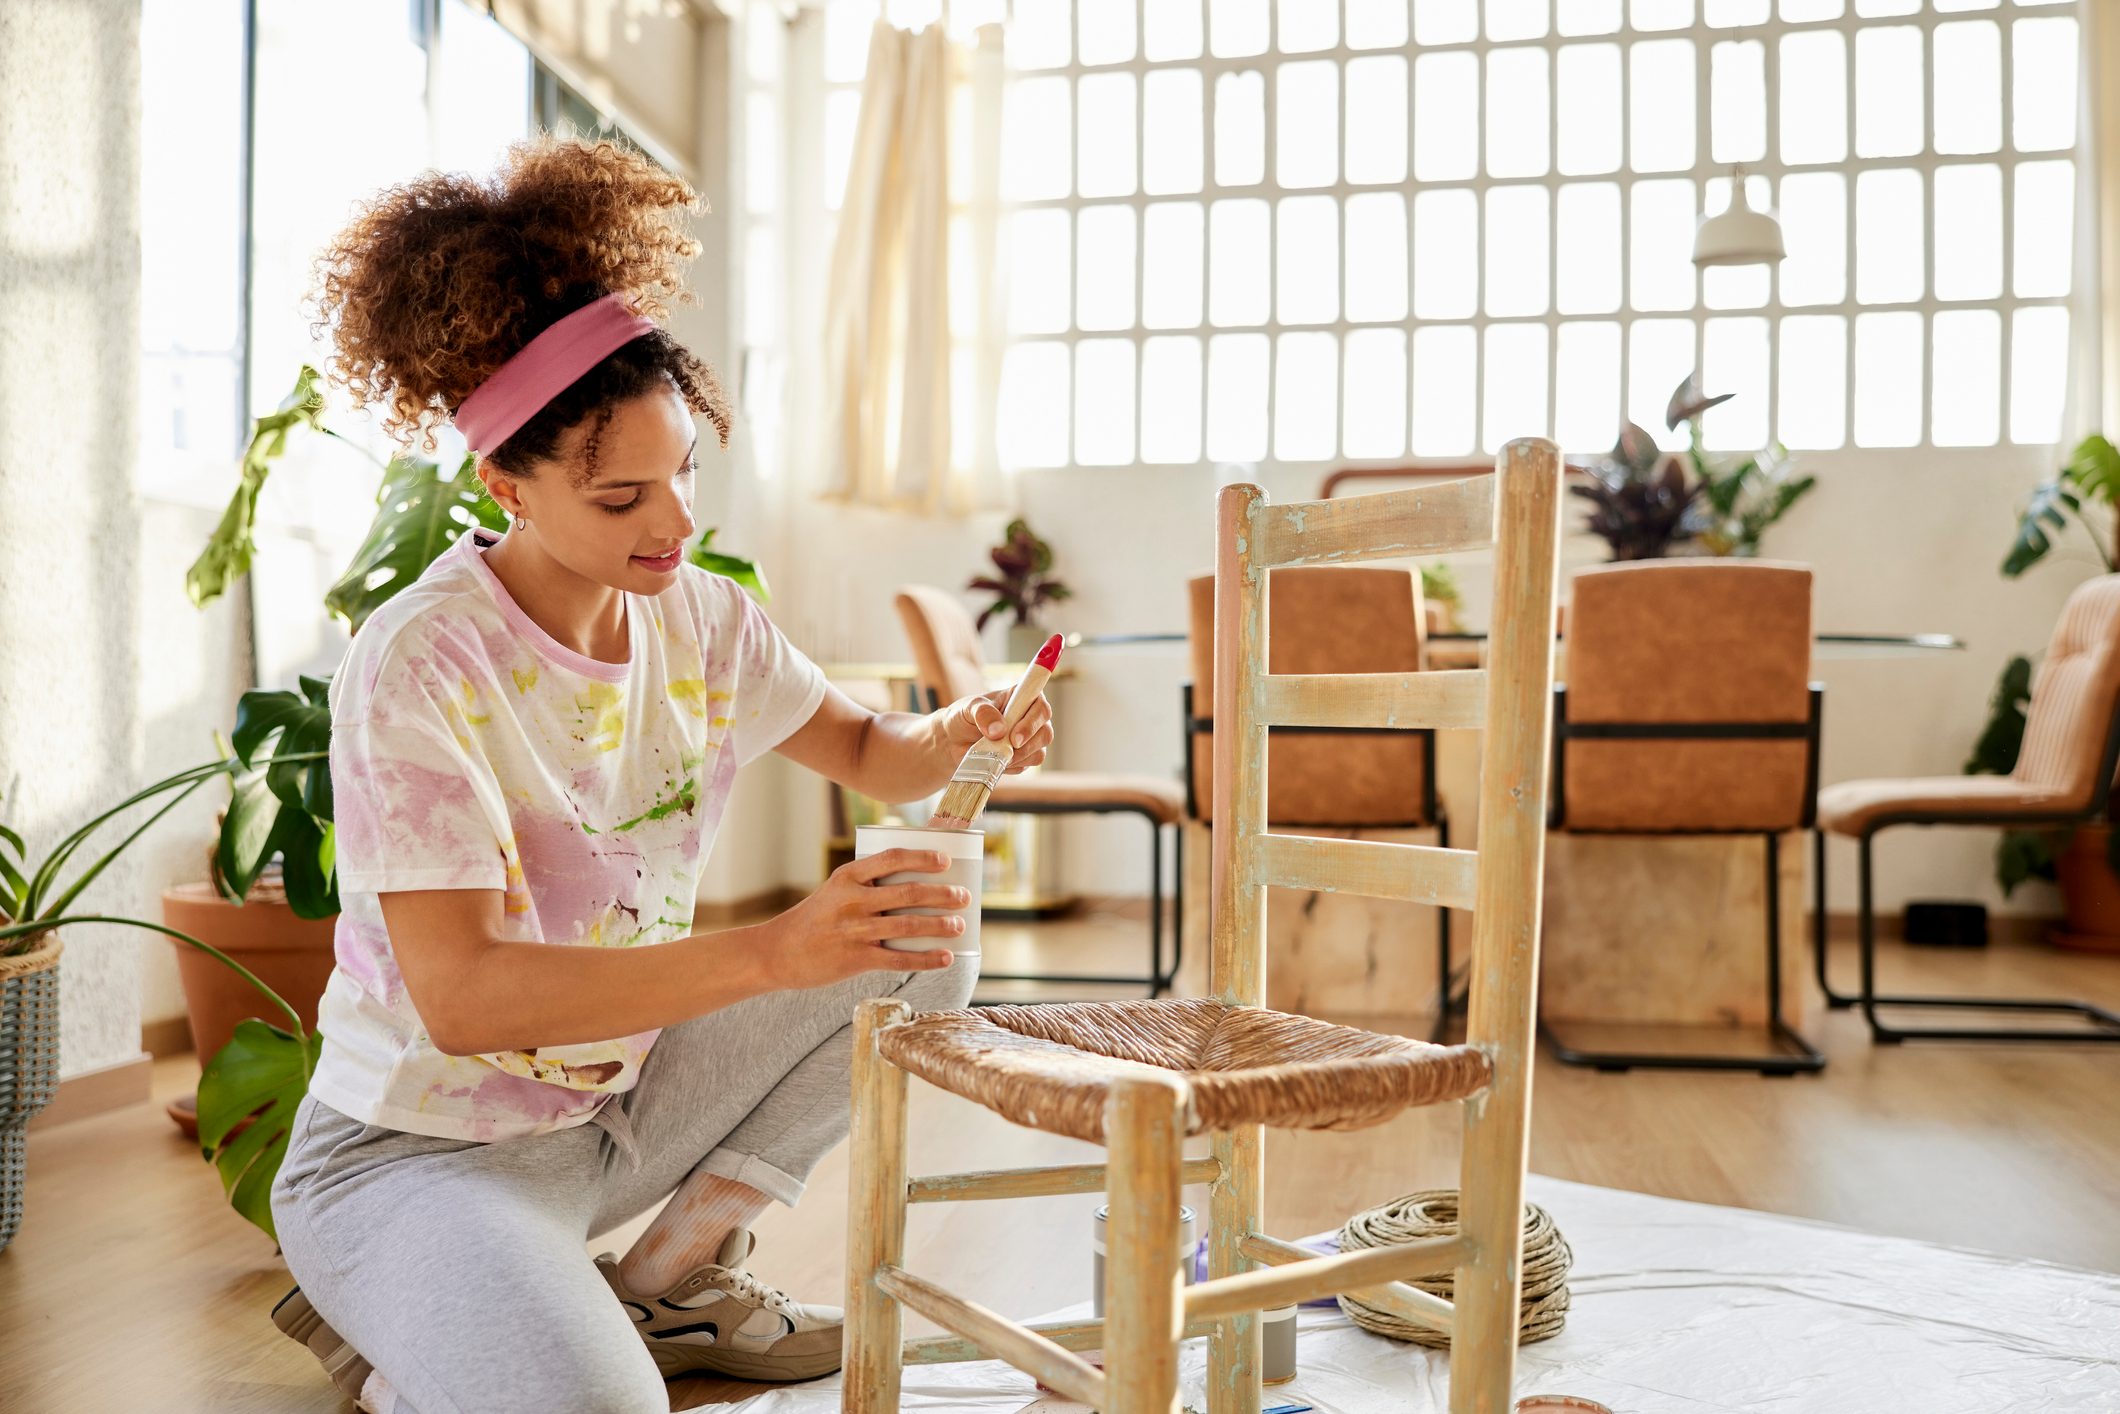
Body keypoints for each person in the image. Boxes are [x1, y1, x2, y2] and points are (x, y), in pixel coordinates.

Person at [265, 135, 1052, 1414]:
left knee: (918, 931)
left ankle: (669, 1279)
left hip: (611, 1119)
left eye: (684, 469)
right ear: (503, 484)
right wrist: (771, 952)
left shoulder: (701, 616)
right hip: (413, 1157)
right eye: (622, 495)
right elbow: (462, 998)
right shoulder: (421, 661)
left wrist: (958, 731)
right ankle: (427, 1307)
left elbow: (865, 751)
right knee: (597, 1408)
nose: (675, 524)